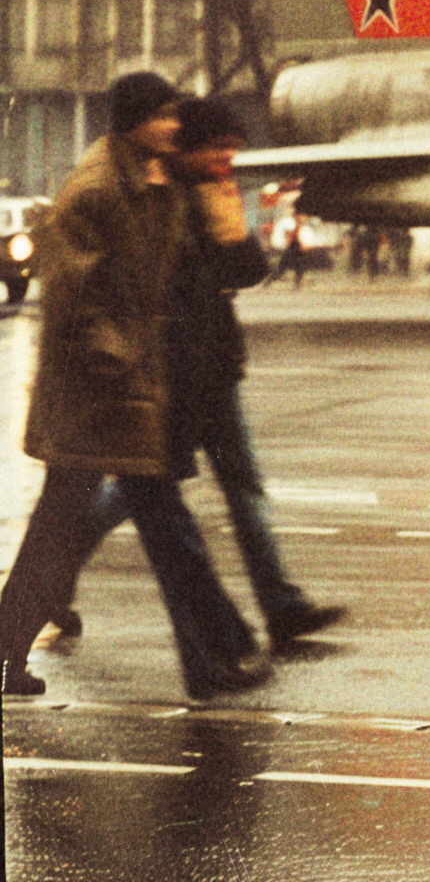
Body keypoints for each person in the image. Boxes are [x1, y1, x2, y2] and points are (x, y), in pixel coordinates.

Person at [0, 73, 269, 699]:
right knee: (81, 527)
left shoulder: (154, 184)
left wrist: (224, 215)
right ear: (134, 121)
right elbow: (73, 298)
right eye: (165, 114)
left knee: (97, 526)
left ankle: (210, 660)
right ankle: (211, 658)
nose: (176, 124)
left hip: (137, 391)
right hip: (95, 395)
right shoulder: (96, 191)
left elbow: (209, 275)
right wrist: (120, 364)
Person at [46, 98, 346, 649]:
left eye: (233, 149)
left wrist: (231, 226)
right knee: (139, 492)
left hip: (218, 368)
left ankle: (282, 607)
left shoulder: (213, 196)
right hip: (174, 373)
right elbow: (169, 287)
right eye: (217, 148)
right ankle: (56, 574)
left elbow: (249, 272)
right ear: (190, 148)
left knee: (241, 487)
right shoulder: (161, 200)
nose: (227, 159)